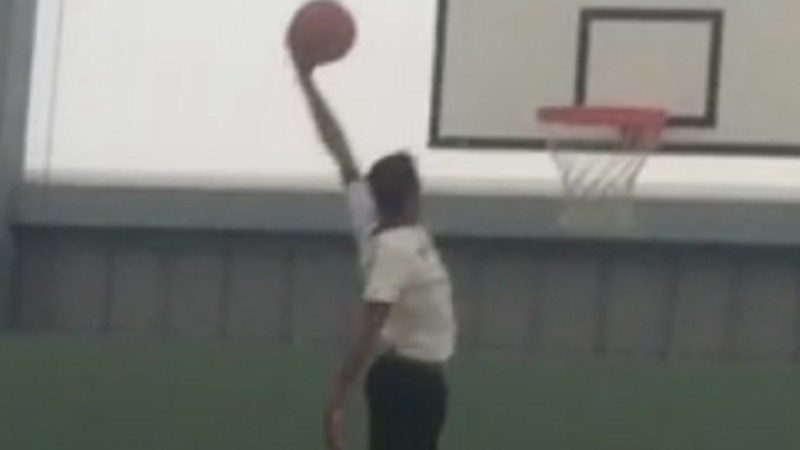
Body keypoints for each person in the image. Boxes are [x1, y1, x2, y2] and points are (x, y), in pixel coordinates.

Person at [292, 56, 457, 450]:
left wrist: (307, 83)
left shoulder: (374, 225)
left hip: (412, 378)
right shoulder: (395, 251)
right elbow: (371, 324)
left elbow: (340, 151)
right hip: (410, 380)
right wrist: (338, 398)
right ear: (412, 196)